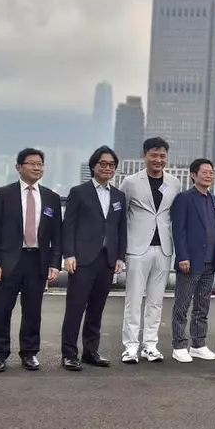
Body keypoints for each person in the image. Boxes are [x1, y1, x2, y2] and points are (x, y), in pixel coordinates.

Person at [0, 148, 62, 372]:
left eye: (40, 164)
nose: (37, 168)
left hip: (37, 261)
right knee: (1, 310)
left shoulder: (51, 197)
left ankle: (29, 352)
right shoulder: (3, 194)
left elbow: (57, 234)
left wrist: (54, 263)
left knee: (32, 311)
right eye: (32, 164)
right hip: (8, 261)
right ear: (19, 167)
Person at [60, 146, 128, 371]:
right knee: (75, 308)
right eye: (103, 164)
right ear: (93, 166)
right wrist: (69, 254)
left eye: (112, 165)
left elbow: (121, 229)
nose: (108, 168)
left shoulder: (118, 196)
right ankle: (69, 354)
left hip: (107, 260)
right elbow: (68, 226)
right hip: (82, 260)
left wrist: (120, 257)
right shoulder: (79, 192)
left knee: (96, 309)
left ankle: (91, 351)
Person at [119, 138, 183, 364]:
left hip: (163, 248)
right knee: (134, 299)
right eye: (153, 155)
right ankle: (130, 346)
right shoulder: (130, 182)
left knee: (156, 300)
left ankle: (150, 345)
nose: (158, 160)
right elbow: (121, 214)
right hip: (137, 248)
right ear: (145, 155)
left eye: (162, 156)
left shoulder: (174, 183)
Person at [168, 158, 215, 363]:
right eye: (204, 172)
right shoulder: (184, 198)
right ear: (193, 175)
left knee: (203, 305)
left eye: (211, 172)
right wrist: (182, 256)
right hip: (190, 261)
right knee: (182, 305)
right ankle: (179, 345)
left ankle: (199, 344)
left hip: (210, 262)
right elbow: (178, 230)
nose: (209, 175)